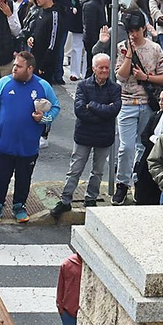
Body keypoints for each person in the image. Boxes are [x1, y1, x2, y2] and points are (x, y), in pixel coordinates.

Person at [0, 51, 59, 223]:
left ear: (30, 68)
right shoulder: (4, 83)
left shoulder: (43, 86)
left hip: (28, 145)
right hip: (4, 144)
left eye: (19, 66)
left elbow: (56, 107)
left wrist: (44, 119)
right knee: (0, 177)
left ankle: (19, 206)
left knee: (24, 178)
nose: (14, 68)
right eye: (15, 65)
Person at [112, 10, 163, 205]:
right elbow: (120, 76)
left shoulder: (155, 49)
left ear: (144, 28)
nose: (133, 34)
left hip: (148, 103)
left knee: (142, 147)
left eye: (136, 30)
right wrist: (128, 56)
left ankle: (139, 182)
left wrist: (146, 78)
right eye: (130, 31)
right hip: (127, 102)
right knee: (125, 147)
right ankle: (122, 183)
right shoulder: (122, 47)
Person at [54, 53, 119, 216]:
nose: (104, 70)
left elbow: (114, 110)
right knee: (75, 168)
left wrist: (93, 106)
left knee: (98, 171)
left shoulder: (115, 88)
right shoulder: (83, 86)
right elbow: (80, 111)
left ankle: (91, 198)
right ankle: (65, 200)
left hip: (103, 137)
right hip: (85, 135)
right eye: (101, 67)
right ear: (94, 68)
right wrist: (103, 112)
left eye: (106, 67)